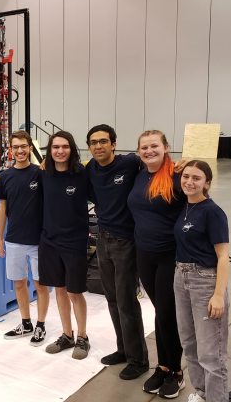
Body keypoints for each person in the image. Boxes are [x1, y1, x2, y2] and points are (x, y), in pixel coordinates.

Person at [85, 124, 149, 380]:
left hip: (126, 242)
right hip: (102, 239)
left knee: (126, 301)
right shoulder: (90, 169)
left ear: (113, 144)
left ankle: (139, 360)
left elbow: (156, 163)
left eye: (103, 141)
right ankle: (123, 350)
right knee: (111, 299)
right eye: (93, 142)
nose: (98, 146)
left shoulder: (130, 163)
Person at [127, 130, 185, 399]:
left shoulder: (177, 175)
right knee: (160, 312)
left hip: (169, 256)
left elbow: (198, 204)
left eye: (154, 146)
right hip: (144, 255)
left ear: (166, 147)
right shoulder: (140, 173)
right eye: (144, 147)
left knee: (166, 313)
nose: (149, 151)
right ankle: (163, 366)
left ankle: (175, 371)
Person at [173, 160, 230, 402]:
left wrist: (218, 295)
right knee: (189, 344)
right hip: (181, 278)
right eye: (186, 176)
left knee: (211, 353)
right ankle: (203, 393)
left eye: (196, 178)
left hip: (205, 280)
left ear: (207, 183)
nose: (189, 181)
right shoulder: (185, 206)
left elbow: (223, 256)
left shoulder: (212, 211)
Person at [38, 131, 92, 359]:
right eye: (55, 147)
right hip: (49, 241)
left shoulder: (82, 174)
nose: (60, 151)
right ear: (50, 150)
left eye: (65, 146)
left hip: (75, 241)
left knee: (74, 291)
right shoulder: (43, 174)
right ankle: (67, 334)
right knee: (59, 289)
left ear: (72, 149)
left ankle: (82, 336)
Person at [0, 130, 50, 346]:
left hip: (38, 241)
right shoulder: (5, 176)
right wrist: (0, 238)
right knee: (19, 283)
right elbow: (3, 208)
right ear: (11, 149)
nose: (20, 151)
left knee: (41, 285)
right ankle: (26, 323)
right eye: (16, 147)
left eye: (23, 146)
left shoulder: (41, 173)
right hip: (14, 239)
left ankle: (41, 324)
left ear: (30, 147)